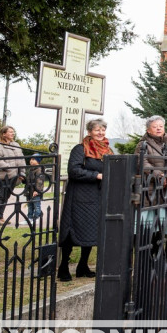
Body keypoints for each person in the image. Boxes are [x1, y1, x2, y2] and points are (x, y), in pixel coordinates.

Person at [59, 119, 108, 282]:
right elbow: (73, 170)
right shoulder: (80, 149)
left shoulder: (107, 150)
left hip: (97, 197)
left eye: (103, 130)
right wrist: (96, 175)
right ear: (89, 132)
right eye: (97, 130)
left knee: (91, 231)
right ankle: (63, 266)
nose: (100, 133)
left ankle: (83, 266)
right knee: (71, 231)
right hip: (79, 197)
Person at [0, 125, 25, 225]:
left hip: (15, 176)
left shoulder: (16, 144)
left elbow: (21, 159)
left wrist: (22, 173)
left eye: (13, 132)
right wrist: (9, 167)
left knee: (6, 197)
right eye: (10, 132)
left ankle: (0, 217)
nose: (13, 133)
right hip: (2, 176)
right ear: (4, 134)